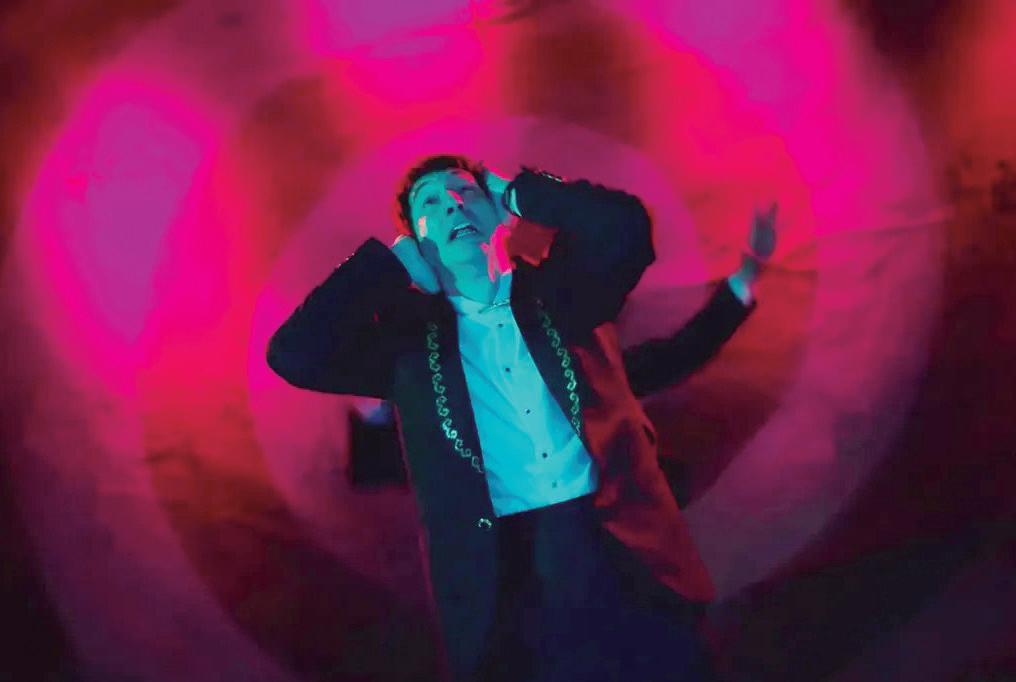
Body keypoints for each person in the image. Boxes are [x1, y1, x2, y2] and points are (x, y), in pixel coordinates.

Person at [266, 155, 776, 681]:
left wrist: (521, 193)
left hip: (622, 554)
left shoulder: (562, 297)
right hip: (513, 583)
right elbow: (293, 354)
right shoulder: (407, 349)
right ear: (416, 244)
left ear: (498, 216)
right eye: (431, 204)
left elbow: (625, 231)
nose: (453, 205)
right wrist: (387, 268)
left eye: (466, 192)